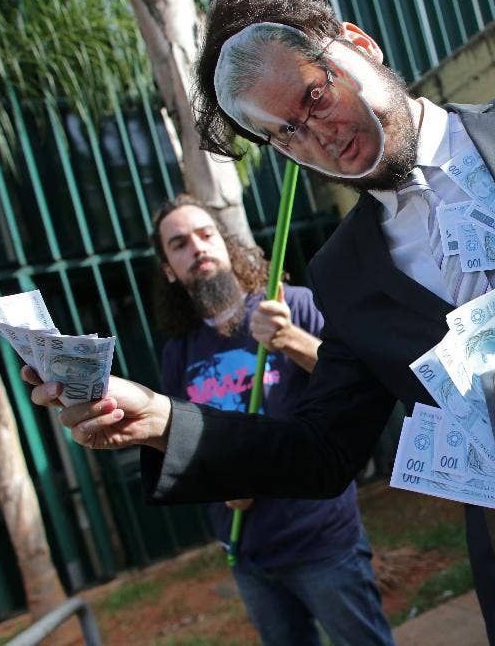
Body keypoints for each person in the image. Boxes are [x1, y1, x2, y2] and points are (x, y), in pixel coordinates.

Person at [24, 0, 495, 644]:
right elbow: (319, 448)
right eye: (283, 132)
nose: (317, 135)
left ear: (357, 44)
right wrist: (162, 417)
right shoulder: (343, 276)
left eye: (314, 97)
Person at [149, 194, 392, 646]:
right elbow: (178, 435)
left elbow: (360, 381)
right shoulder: (178, 351)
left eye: (206, 235)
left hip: (321, 540)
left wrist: (291, 340)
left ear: (226, 243)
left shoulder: (293, 306)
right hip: (247, 554)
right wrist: (217, 484)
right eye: (179, 244)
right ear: (168, 268)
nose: (197, 248)